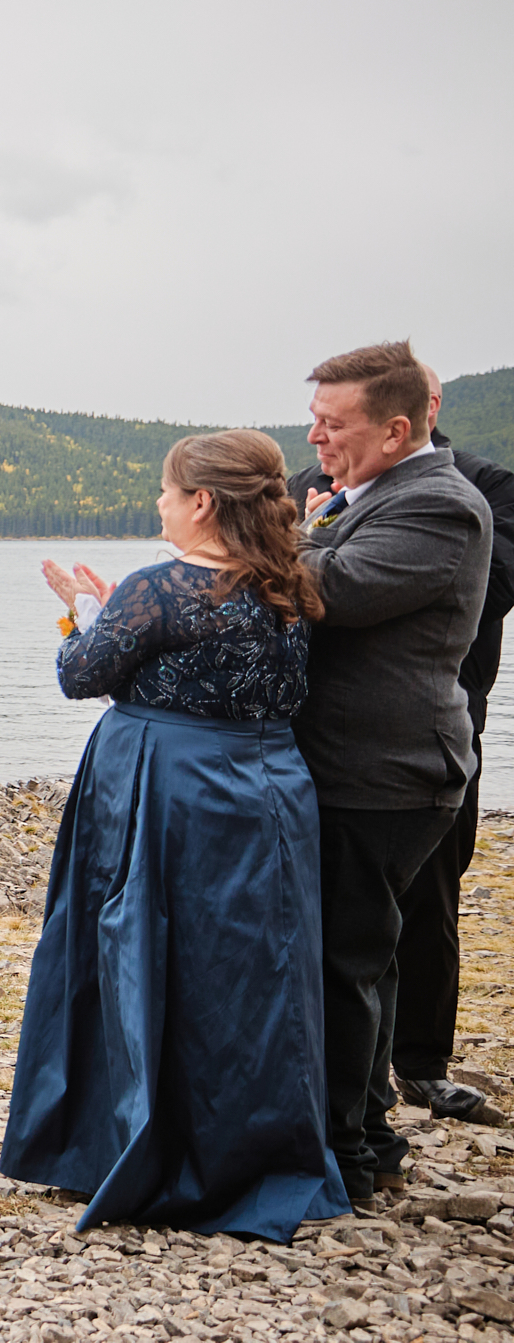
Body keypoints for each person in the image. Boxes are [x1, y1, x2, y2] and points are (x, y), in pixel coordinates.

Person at [0, 429, 352, 1240]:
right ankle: (253, 1148)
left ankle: (126, 1141)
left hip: (166, 786)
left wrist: (83, 604)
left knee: (140, 950)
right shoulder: (288, 582)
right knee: (250, 972)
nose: (158, 502)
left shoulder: (160, 587)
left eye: (166, 489)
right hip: (269, 785)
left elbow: (79, 673)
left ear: (200, 501)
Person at [287, 342, 495, 1203]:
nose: (316, 436)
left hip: (387, 773)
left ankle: (342, 1154)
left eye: (333, 424)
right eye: (316, 418)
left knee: (345, 963)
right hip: (366, 767)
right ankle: (368, 1130)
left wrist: (221, 545)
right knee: (363, 958)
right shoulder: (373, 493)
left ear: (398, 428)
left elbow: (325, 588)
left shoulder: (441, 507)